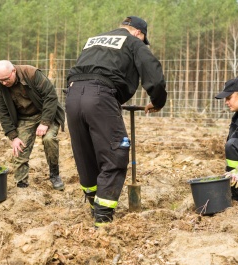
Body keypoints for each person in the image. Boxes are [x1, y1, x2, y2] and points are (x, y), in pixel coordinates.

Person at [66, 16, 167, 227]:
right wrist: (157, 101)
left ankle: (95, 205)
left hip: (73, 96)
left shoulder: (93, 40)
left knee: (86, 154)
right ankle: (103, 219)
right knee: (116, 153)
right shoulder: (133, 42)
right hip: (101, 96)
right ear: (139, 33)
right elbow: (154, 75)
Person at [0, 60, 65, 190]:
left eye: (6, 79)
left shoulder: (31, 73)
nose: (4, 83)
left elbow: (51, 96)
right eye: (0, 80)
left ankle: (55, 175)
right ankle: (21, 184)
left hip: (46, 112)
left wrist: (45, 123)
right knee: (19, 147)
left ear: (13, 71)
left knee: (49, 139)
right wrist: (13, 136)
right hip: (24, 118)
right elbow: (3, 112)